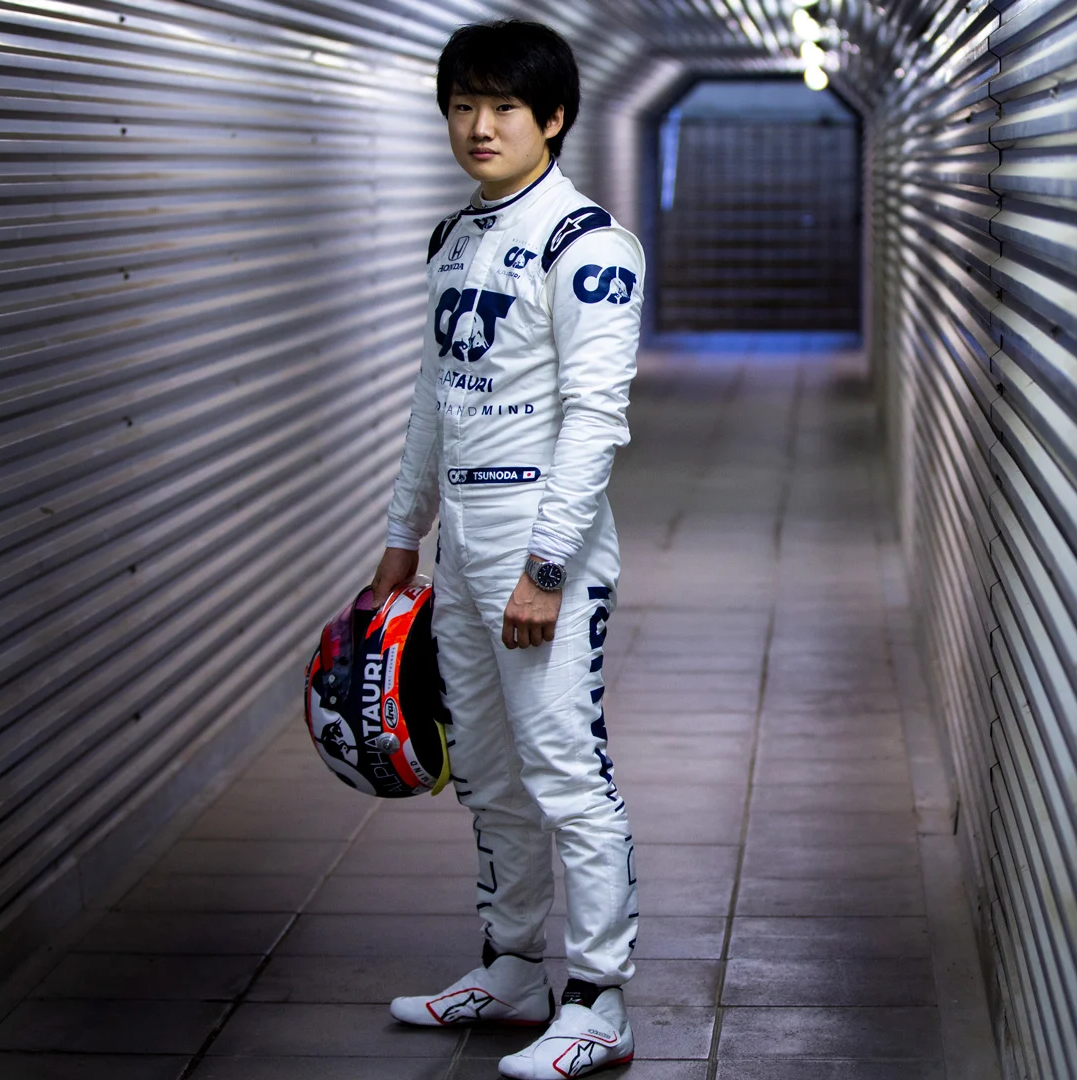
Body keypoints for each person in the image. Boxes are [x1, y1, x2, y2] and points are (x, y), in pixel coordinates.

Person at [371, 19, 642, 1079]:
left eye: (504, 108)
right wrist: (403, 536)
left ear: (554, 119)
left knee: (567, 774)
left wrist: (545, 567)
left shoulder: (589, 246)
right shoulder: (453, 239)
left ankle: (600, 999)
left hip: (543, 547)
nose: (480, 127)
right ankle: (515, 966)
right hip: (460, 554)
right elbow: (435, 402)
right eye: (463, 106)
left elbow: (596, 419)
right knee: (484, 773)